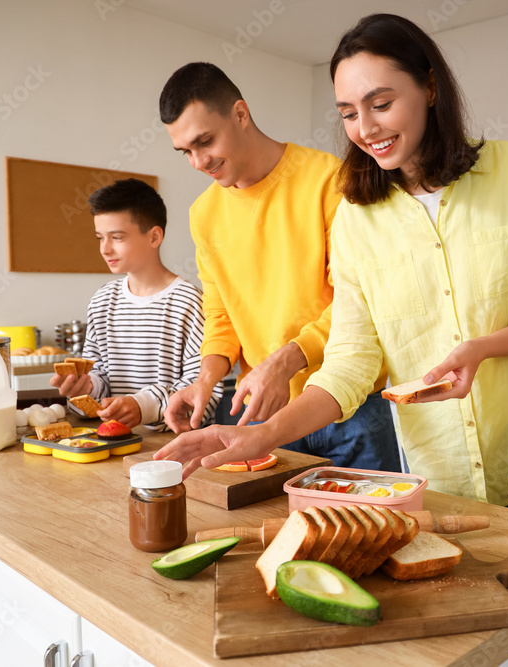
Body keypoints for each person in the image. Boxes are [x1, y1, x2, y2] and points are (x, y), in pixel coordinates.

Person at [157, 14, 508, 507]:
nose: (366, 128)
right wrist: (261, 435)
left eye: (381, 104)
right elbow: (350, 362)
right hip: (436, 471)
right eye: (349, 113)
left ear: (431, 87)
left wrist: (482, 347)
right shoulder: (358, 215)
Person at [157, 62, 400, 471]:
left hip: (352, 409)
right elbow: (220, 315)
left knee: (370, 532)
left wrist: (285, 360)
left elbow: (359, 302)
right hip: (264, 414)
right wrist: (204, 382)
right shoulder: (204, 214)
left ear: (240, 113)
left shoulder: (332, 180)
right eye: (186, 152)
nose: (198, 162)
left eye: (205, 141)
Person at [51, 178, 221, 429]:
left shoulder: (190, 303)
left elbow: (204, 393)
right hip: (116, 446)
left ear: (154, 236)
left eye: (117, 237)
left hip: (177, 451)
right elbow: (100, 376)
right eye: (100, 237)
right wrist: (86, 388)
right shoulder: (102, 301)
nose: (105, 249)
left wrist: (142, 406)